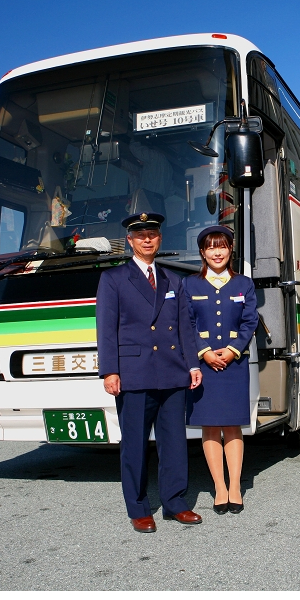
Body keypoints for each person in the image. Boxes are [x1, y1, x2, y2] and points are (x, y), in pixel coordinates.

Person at [96, 212, 203, 533]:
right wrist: (109, 371)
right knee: (135, 444)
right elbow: (106, 328)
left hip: (172, 373)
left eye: (152, 233)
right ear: (129, 240)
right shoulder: (113, 279)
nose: (147, 238)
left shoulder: (173, 280)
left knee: (174, 443)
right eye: (140, 234)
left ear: (158, 239)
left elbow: (185, 326)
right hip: (133, 373)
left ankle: (175, 503)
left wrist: (193, 363)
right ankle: (139, 508)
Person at [182, 225, 258, 514]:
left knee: (233, 425)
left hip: (234, 364)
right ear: (202, 252)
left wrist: (232, 350)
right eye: (211, 247)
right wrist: (203, 353)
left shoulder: (244, 284)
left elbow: (249, 322)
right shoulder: (189, 285)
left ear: (230, 250)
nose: (217, 252)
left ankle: (235, 486)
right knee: (210, 426)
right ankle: (220, 488)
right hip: (202, 365)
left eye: (222, 246)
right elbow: (186, 323)